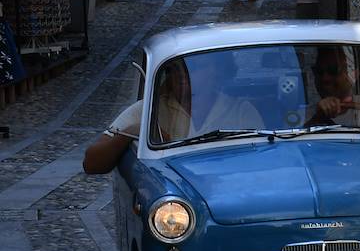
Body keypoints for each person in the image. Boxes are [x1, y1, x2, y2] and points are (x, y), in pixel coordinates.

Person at [83, 54, 263, 174]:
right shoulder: (149, 109)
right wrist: (135, 130)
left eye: (195, 67)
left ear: (218, 71)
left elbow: (260, 164)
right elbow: (91, 164)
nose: (184, 74)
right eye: (175, 69)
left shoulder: (240, 110)